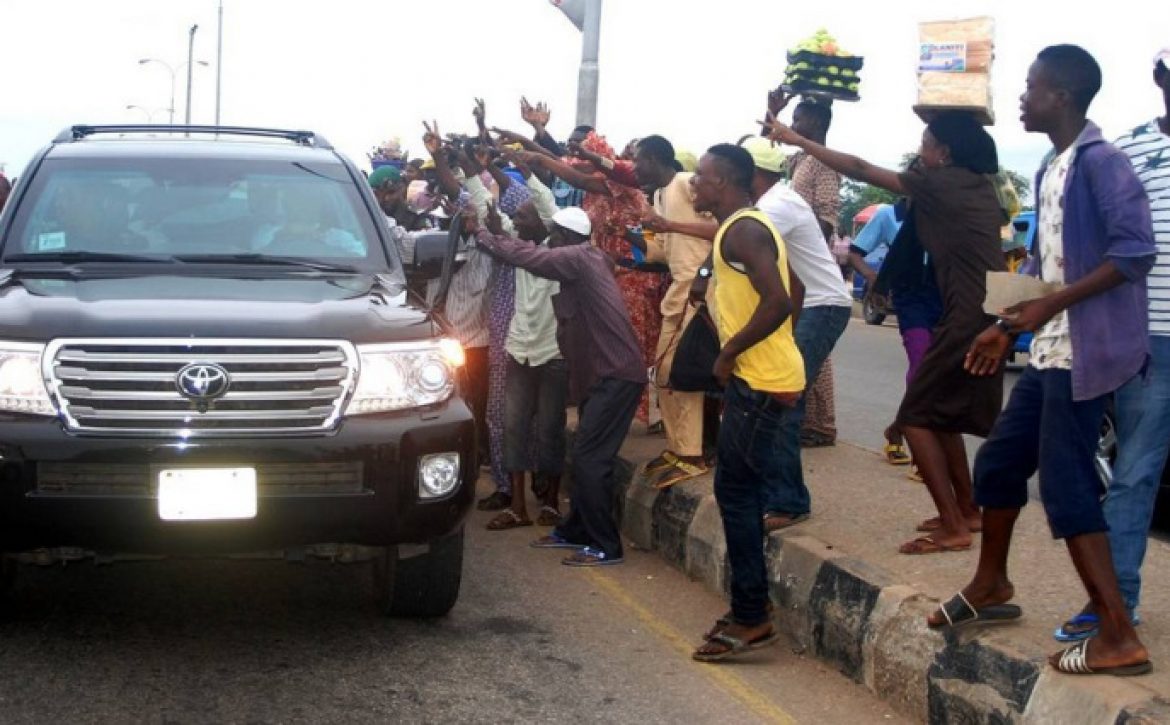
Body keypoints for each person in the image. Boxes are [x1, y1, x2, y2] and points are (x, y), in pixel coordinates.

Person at [945, 45, 1156, 677]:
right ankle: (991, 586)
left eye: (1032, 86)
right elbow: (1044, 265)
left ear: (1061, 95)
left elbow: (1134, 254)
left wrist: (1050, 307)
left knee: (1066, 487)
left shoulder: (1103, 163)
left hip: (1087, 351)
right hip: (1051, 348)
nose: (1022, 96)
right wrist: (1006, 327)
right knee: (1002, 462)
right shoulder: (1052, 165)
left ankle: (1118, 633)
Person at [765, 108, 1007, 556]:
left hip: (964, 317)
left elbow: (858, 167)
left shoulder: (940, 183)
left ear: (944, 154)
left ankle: (954, 526)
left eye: (925, 144)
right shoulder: (978, 187)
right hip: (978, 311)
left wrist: (799, 141)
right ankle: (968, 509)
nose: (919, 152)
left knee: (915, 419)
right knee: (940, 418)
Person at [1052, 47, 1170, 644]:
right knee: (1134, 474)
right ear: (1159, 79)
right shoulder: (1127, 155)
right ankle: (1114, 603)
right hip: (1153, 337)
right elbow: (1106, 245)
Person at [471, 204, 646, 567]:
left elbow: (527, 256)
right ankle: (576, 530)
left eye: (554, 235)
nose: (549, 242)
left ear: (565, 239)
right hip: (603, 376)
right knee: (585, 456)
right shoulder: (590, 258)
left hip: (615, 375)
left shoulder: (578, 258)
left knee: (589, 460)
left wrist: (483, 235)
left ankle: (605, 545)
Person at [686, 144, 804, 662]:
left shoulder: (744, 230)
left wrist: (731, 351)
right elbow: (794, 290)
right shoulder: (742, 228)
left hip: (759, 381)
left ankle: (752, 615)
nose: (695, 184)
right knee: (742, 488)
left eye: (704, 177)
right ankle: (749, 609)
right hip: (764, 373)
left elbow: (780, 299)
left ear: (727, 181)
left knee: (736, 492)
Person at [739, 136, 853, 532]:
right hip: (813, 303)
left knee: (783, 398)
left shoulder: (776, 205)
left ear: (750, 172)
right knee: (777, 397)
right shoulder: (772, 200)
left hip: (824, 305)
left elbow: (741, 243)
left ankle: (788, 501)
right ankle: (777, 493)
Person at [590, 134, 716, 488]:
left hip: (698, 290)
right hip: (679, 289)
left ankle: (691, 454)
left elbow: (724, 230)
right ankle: (681, 449)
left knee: (676, 371)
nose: (634, 167)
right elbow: (661, 252)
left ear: (658, 158)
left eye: (639, 160)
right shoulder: (660, 195)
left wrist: (701, 272)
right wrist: (629, 233)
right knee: (665, 373)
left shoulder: (683, 183)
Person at [515, 132, 661, 425]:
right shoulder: (595, 191)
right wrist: (526, 142)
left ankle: (616, 413)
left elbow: (575, 174)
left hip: (626, 275)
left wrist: (538, 157)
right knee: (596, 347)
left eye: (586, 158)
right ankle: (599, 410)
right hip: (600, 273)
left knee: (619, 349)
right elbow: (566, 165)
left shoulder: (616, 185)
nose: (579, 163)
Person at [768, 92, 842, 448]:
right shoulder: (800, 159)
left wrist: (804, 244)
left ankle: (822, 424)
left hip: (810, 265)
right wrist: (773, 112)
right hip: (794, 262)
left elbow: (827, 214)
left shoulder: (822, 163)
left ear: (816, 124)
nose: (792, 126)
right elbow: (762, 156)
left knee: (814, 348)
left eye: (798, 120)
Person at [850, 200, 943, 477]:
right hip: (910, 299)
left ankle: (897, 428)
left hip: (946, 298)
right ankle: (922, 455)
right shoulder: (889, 215)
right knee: (920, 367)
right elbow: (855, 252)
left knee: (936, 374)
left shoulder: (947, 211)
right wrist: (873, 278)